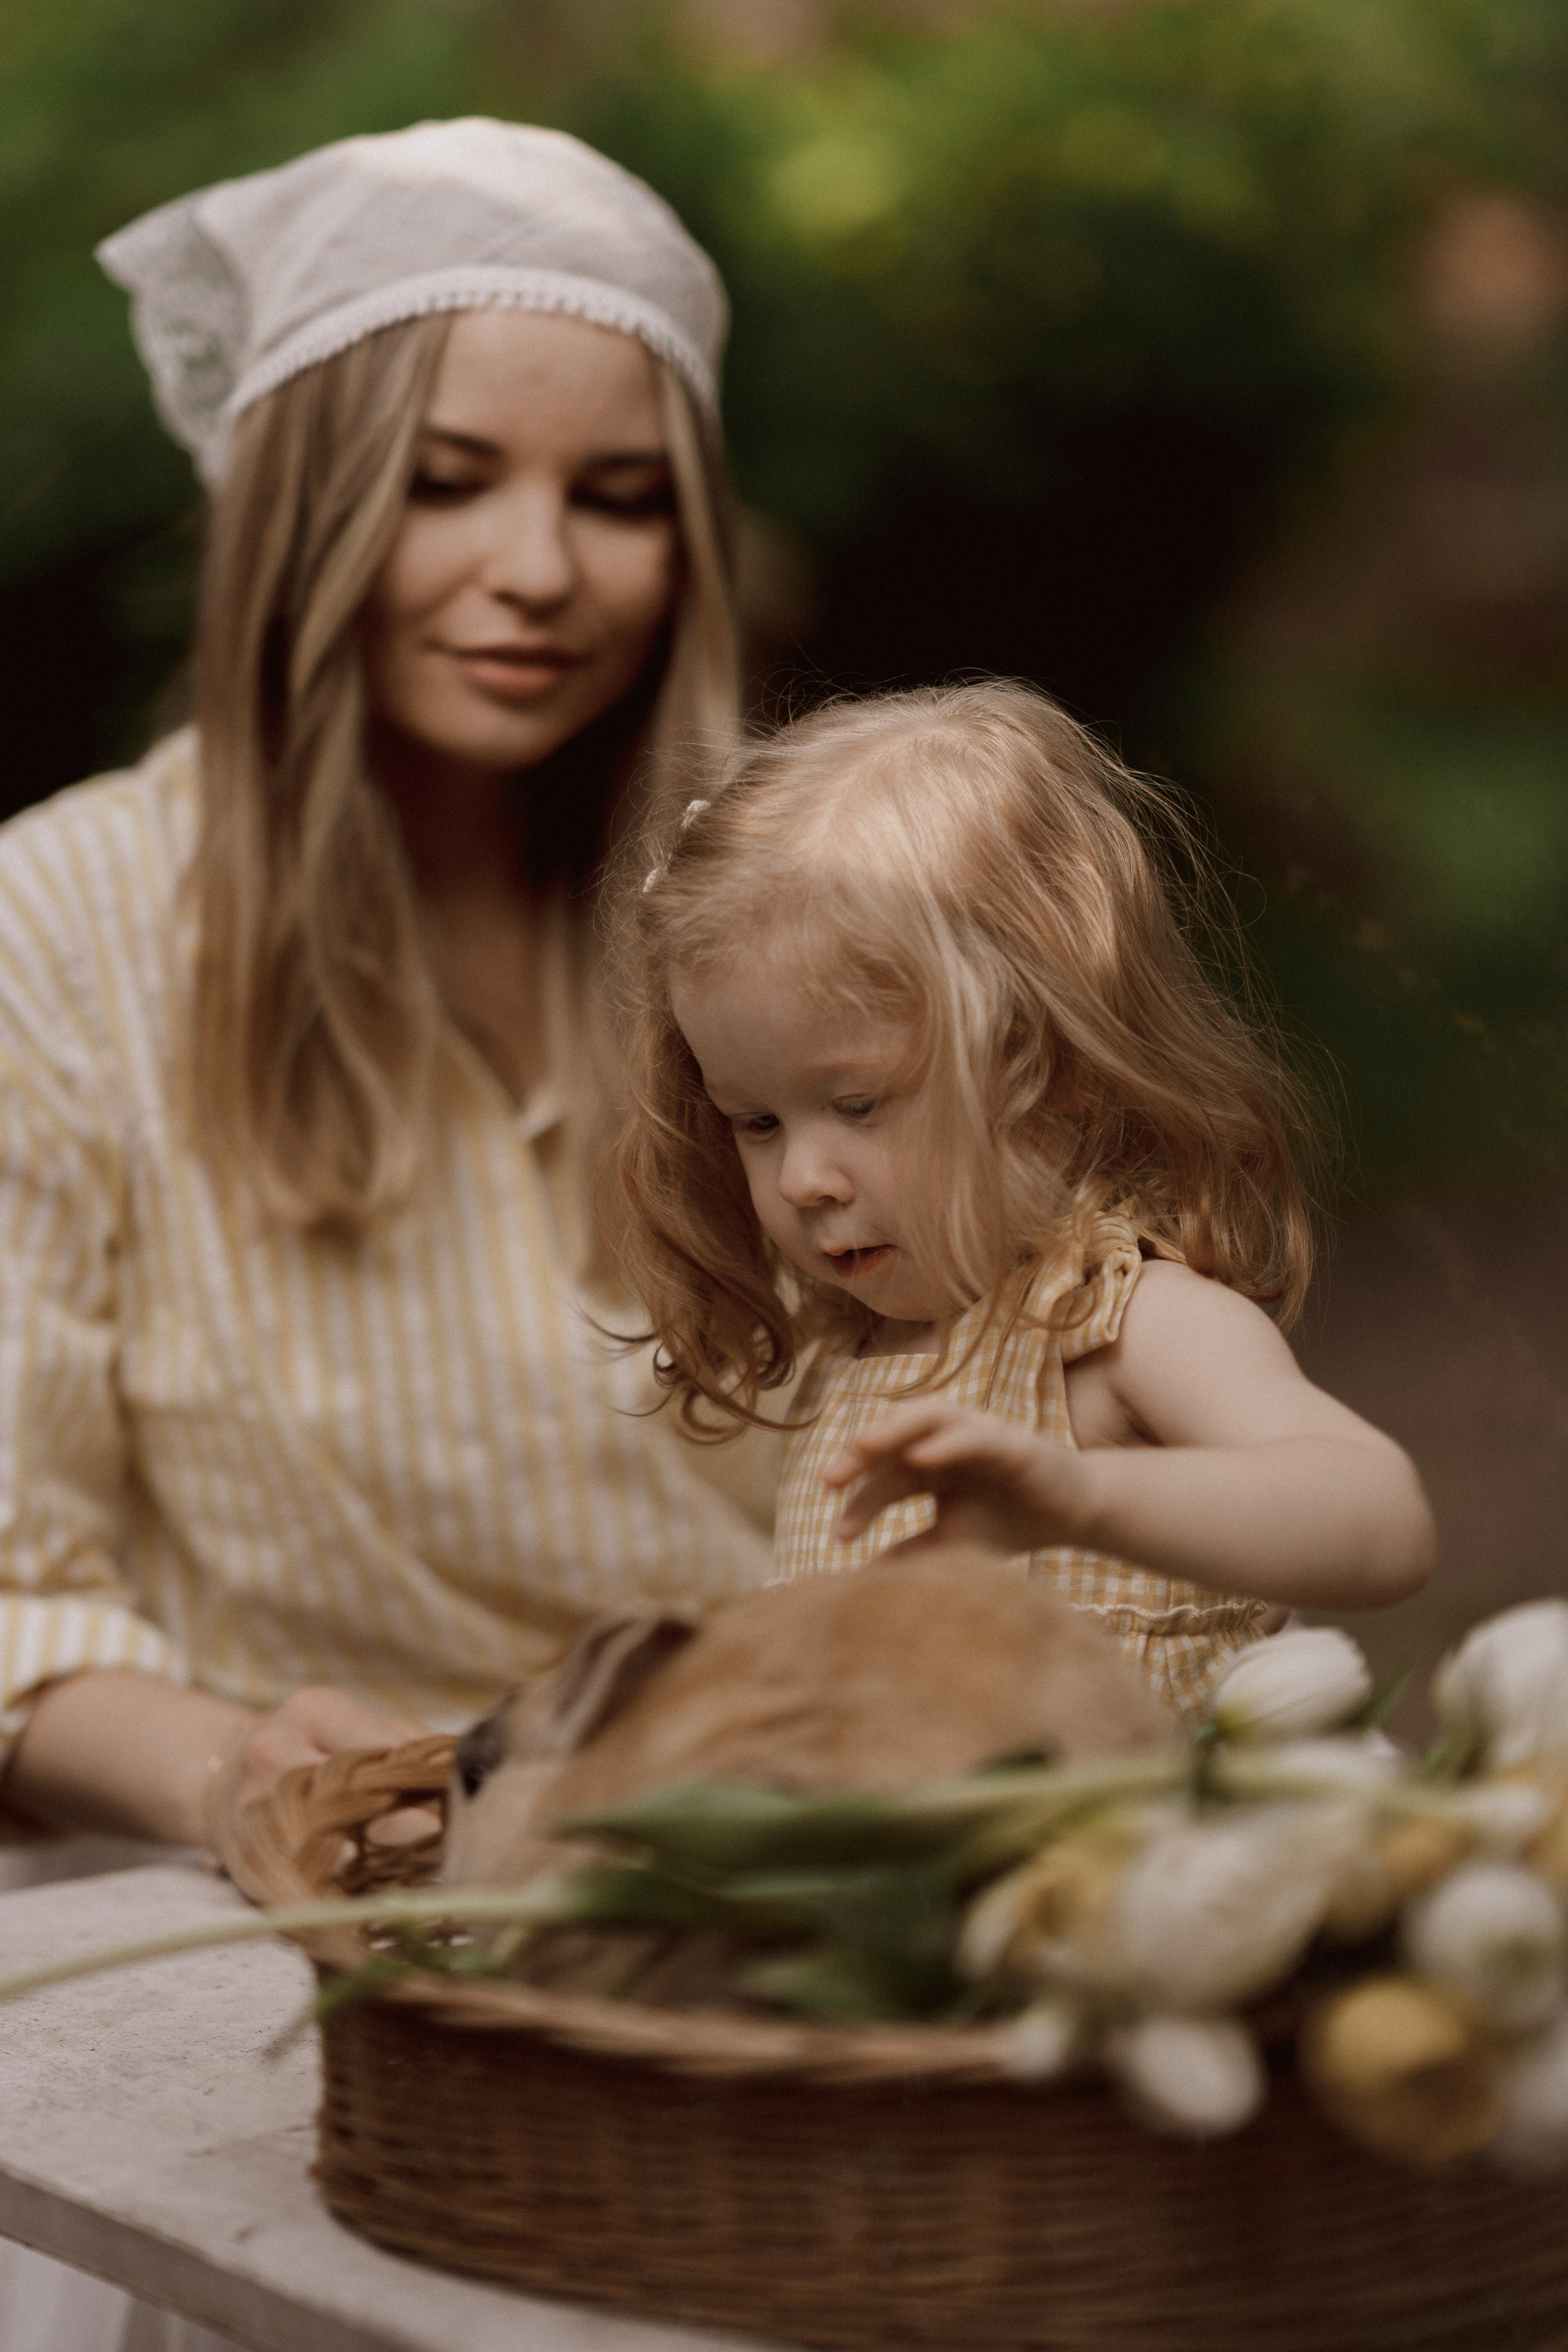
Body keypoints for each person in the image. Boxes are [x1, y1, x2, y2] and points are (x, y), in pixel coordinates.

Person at [0, 109, 780, 2352]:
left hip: (756, 1951)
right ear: (297, 502)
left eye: (617, 495)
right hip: (275, 1975)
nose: (539, 568)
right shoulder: (68, 928)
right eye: (446, 480)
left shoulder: (781, 926)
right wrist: (253, 1776)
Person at [619, 682, 1436, 1721]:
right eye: (757, 1121)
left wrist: (1085, 1499)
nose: (801, 1179)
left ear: (1054, 1070)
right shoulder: (847, 1355)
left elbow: (1381, 1519)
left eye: (858, 1104)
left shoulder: (1121, 1330)